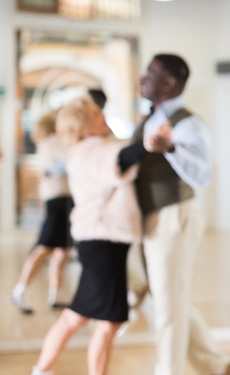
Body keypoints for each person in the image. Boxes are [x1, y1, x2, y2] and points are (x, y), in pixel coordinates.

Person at [132, 53, 230, 375]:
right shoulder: (151, 117)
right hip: (153, 218)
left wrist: (172, 149)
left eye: (151, 73)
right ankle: (216, 365)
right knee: (169, 297)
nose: (143, 79)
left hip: (173, 217)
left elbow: (203, 175)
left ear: (169, 83)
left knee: (167, 304)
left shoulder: (189, 124)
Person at [31, 96, 150, 375]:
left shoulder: (85, 151)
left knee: (77, 316)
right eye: (97, 115)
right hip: (102, 241)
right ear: (85, 127)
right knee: (106, 322)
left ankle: (40, 371)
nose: (103, 117)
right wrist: (147, 143)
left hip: (99, 242)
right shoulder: (92, 151)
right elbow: (120, 161)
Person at [10, 112, 73, 315]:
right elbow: (67, 162)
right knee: (43, 248)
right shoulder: (53, 142)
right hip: (59, 200)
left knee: (62, 250)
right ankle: (19, 291)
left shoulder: (47, 145)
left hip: (62, 199)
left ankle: (56, 294)